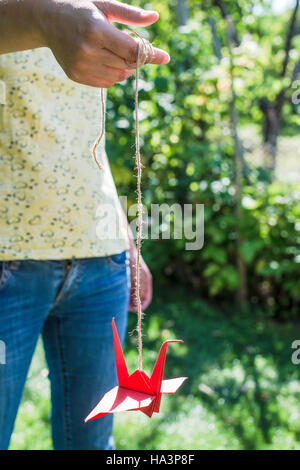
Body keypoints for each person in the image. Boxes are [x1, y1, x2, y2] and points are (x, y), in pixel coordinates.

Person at [0, 0, 170, 450]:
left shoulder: (86, 7)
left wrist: (126, 241)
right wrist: (41, 17)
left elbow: (87, 141)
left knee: (93, 445)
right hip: (6, 259)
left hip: (101, 264)